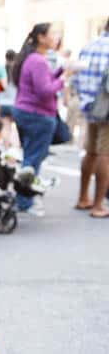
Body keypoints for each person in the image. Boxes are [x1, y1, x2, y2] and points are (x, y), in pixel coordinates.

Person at [12, 23, 76, 216]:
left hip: (28, 112)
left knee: (30, 157)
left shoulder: (33, 59)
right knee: (33, 159)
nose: (55, 38)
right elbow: (45, 90)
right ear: (41, 37)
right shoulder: (38, 61)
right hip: (37, 115)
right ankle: (25, 200)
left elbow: (43, 83)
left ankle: (25, 197)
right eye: (52, 34)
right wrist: (64, 77)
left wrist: (58, 73)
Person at [72, 17, 109, 218]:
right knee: (105, 154)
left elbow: (75, 77)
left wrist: (86, 98)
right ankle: (98, 206)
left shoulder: (89, 46)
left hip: (89, 106)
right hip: (107, 108)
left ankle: (83, 197)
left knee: (90, 151)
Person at [0, 49, 19, 149]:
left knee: (6, 127)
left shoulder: (2, 70)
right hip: (15, 103)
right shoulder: (17, 71)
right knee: (15, 129)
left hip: (2, 103)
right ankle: (14, 149)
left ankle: (6, 148)